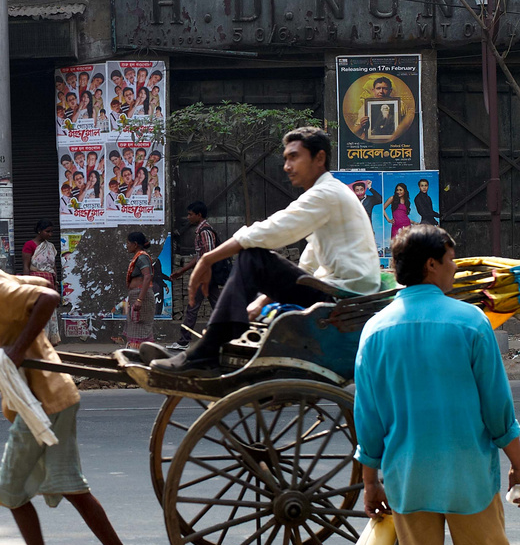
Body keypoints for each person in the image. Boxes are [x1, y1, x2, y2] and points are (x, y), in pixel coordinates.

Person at [0, 226, 149, 545]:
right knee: (71, 486)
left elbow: (49, 295)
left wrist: (18, 349)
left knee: (9, 488)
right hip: (51, 399)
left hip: (42, 404)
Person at [354, 224, 520, 545]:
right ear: (432, 265)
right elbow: (497, 408)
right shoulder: (470, 322)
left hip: (408, 477)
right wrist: (519, 465)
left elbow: (368, 417)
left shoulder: (375, 330)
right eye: (451, 261)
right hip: (468, 475)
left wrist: (370, 482)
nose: (455, 269)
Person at [153, 126, 378, 375]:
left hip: (342, 300)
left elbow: (270, 231)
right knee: (254, 261)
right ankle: (221, 345)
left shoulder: (327, 194)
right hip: (338, 294)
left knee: (253, 255)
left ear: (320, 158)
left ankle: (208, 350)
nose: (286, 166)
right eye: (285, 159)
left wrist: (208, 258)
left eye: (294, 157)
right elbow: (308, 264)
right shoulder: (329, 196)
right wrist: (263, 299)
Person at [175, 201, 225, 331]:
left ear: (199, 215)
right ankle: (231, 332)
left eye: (190, 214)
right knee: (218, 306)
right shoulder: (201, 231)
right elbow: (200, 256)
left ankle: (183, 340)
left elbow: (208, 255)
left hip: (205, 276)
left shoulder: (205, 231)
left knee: (193, 306)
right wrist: (182, 270)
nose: (188, 217)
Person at [25, 220, 61, 343]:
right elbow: (26, 266)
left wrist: (56, 282)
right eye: (47, 231)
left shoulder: (50, 246)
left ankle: (50, 339)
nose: (50, 234)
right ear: (39, 231)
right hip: (36, 281)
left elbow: (53, 266)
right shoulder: (30, 245)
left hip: (49, 280)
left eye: (51, 232)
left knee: (50, 310)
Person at [123, 231, 157, 348]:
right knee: (136, 326)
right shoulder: (140, 257)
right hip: (137, 294)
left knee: (140, 326)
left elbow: (147, 276)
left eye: (128, 243)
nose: (127, 245)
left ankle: (139, 353)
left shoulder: (142, 257)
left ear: (135, 244)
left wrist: (140, 299)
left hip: (142, 295)